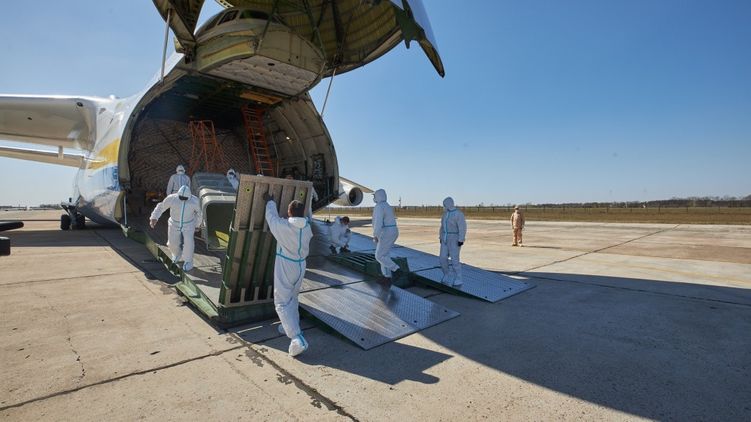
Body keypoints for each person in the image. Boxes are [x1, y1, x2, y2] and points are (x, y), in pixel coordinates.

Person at [262, 191, 313, 357]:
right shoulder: (307, 227)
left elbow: (271, 218)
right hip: (301, 265)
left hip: (286, 265)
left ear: (289, 212)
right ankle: (289, 326)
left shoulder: (284, 227)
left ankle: (297, 338)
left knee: (281, 302)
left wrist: (270, 202)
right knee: (293, 298)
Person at [149, 185, 202, 271]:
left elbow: (200, 214)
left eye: (185, 198)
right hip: (174, 223)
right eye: (181, 197)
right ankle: (176, 254)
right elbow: (161, 206)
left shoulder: (195, 201)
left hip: (189, 224)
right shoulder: (172, 198)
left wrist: (197, 225)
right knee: (172, 243)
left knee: (188, 243)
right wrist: (154, 217)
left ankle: (188, 261)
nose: (183, 199)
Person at [372, 189, 402, 282]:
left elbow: (378, 222)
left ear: (378, 196)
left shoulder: (379, 206)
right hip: (393, 231)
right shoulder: (387, 205)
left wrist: (375, 235)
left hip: (386, 232)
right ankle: (386, 276)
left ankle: (396, 270)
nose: (374, 198)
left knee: (379, 256)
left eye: (374, 196)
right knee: (384, 255)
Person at [439, 197, 467, 286]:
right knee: (442, 258)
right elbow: (442, 227)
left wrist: (461, 239)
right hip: (445, 239)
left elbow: (462, 227)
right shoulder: (445, 214)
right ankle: (446, 274)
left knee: (455, 259)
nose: (444, 206)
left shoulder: (458, 214)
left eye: (444, 205)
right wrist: (441, 237)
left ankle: (459, 278)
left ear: (449, 204)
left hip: (454, 239)